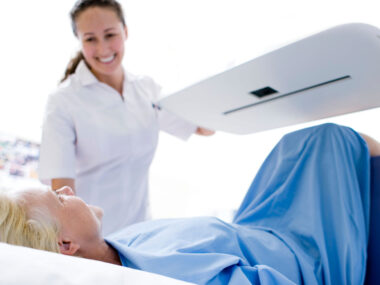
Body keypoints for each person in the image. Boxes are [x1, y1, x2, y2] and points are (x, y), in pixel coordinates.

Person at [2, 123, 380, 284]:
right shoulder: (162, 276)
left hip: (257, 225)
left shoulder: (123, 244)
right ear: (65, 245)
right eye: (57, 197)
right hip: (301, 254)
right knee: (328, 141)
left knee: (292, 149)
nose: (67, 190)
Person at [38, 0, 214, 235]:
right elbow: (62, 197)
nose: (103, 48)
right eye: (90, 39)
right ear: (80, 42)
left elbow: (204, 127)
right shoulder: (64, 101)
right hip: (92, 240)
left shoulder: (146, 89)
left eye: (110, 35)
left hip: (139, 234)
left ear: (126, 31)